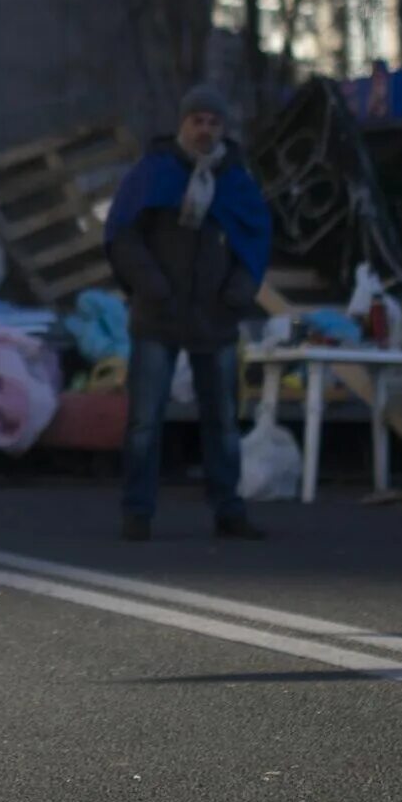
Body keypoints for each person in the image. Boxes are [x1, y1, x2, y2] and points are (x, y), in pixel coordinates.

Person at [104, 83, 273, 543]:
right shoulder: (154, 173)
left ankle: (228, 511)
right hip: (158, 316)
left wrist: (239, 289)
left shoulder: (235, 180)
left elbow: (255, 238)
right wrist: (151, 283)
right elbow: (123, 233)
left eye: (213, 122)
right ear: (182, 124)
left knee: (221, 421)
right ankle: (137, 513)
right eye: (197, 120)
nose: (205, 130)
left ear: (223, 129)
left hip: (214, 318)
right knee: (145, 420)